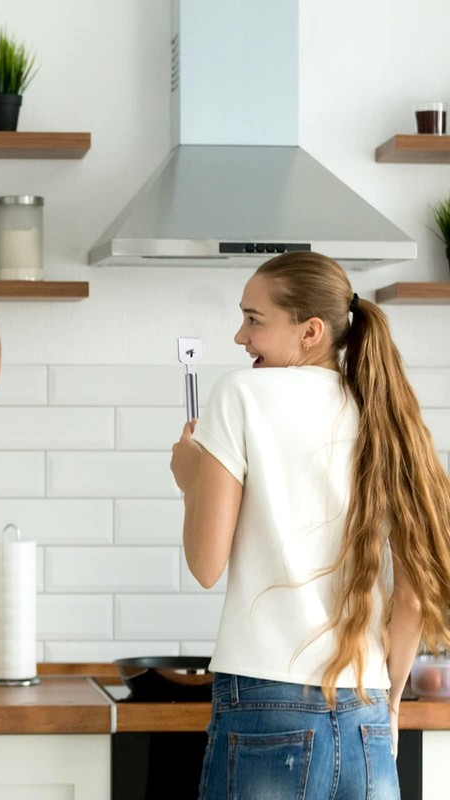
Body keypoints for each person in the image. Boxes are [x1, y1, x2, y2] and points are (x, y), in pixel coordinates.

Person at [170, 251, 450, 799]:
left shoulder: (241, 393)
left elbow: (205, 564)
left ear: (310, 332)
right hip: (366, 716)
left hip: (265, 707)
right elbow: (413, 596)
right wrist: (389, 700)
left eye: (254, 320)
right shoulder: (382, 409)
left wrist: (190, 480)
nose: (239, 337)